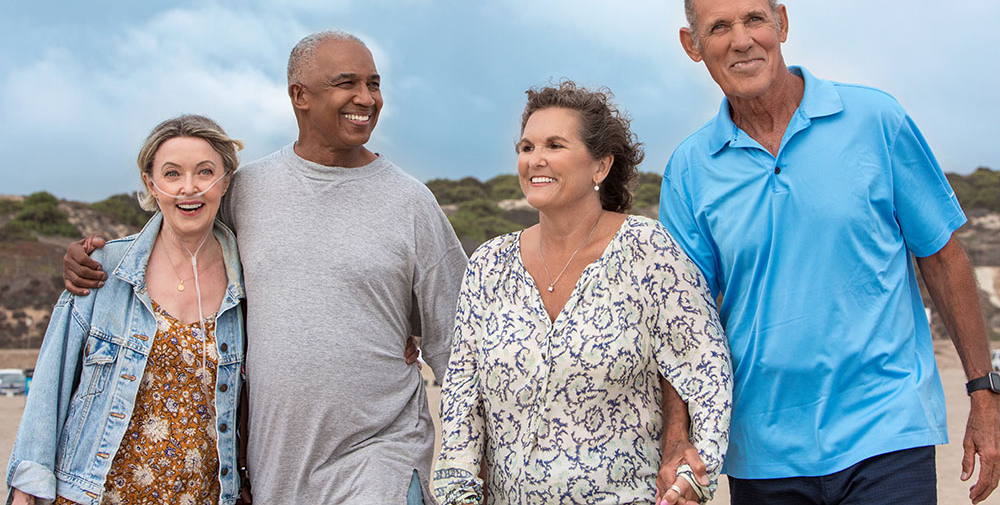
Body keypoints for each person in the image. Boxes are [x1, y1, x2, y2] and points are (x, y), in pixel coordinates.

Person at [62, 31, 468, 504]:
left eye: (373, 84)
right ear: (299, 96)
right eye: (347, 83)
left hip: (383, 455)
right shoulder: (247, 191)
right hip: (275, 466)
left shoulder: (411, 203)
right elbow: (172, 254)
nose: (366, 98)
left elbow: (457, 340)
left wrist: (472, 459)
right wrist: (94, 260)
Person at [658, 0, 1000, 504]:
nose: (742, 40)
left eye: (755, 19)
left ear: (783, 24)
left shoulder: (875, 120)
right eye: (719, 28)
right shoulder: (689, 170)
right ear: (692, 44)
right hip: (761, 448)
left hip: (886, 431)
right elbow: (682, 319)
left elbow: (942, 256)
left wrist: (984, 395)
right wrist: (677, 440)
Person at [433, 81, 732, 504]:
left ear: (600, 166)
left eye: (555, 145)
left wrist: (694, 474)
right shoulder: (488, 266)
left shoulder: (648, 251)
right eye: (526, 147)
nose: (535, 159)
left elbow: (706, 371)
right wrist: (456, 496)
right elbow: (462, 403)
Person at [8, 115, 246, 504]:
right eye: (172, 174)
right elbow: (50, 387)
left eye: (205, 172)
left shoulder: (247, 282)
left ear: (226, 181)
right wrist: (25, 492)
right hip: (94, 494)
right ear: (151, 184)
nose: (189, 188)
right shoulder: (104, 268)